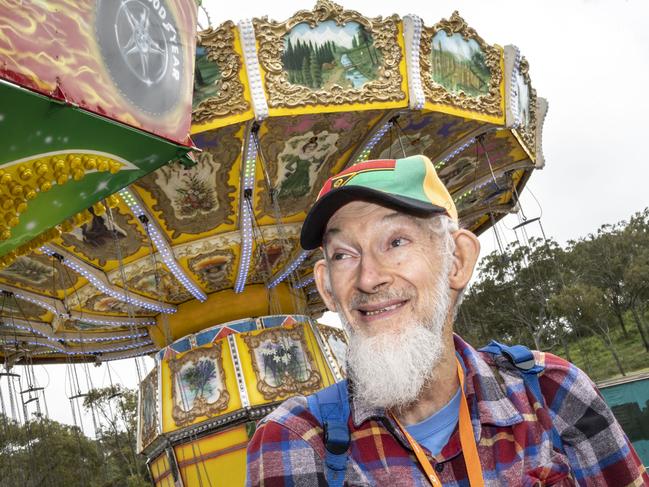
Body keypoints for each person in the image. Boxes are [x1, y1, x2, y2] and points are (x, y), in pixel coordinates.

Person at [246, 155, 648, 486]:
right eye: (343, 255)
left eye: (396, 242)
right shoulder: (296, 442)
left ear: (457, 261)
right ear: (328, 288)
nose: (368, 277)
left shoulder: (552, 392)